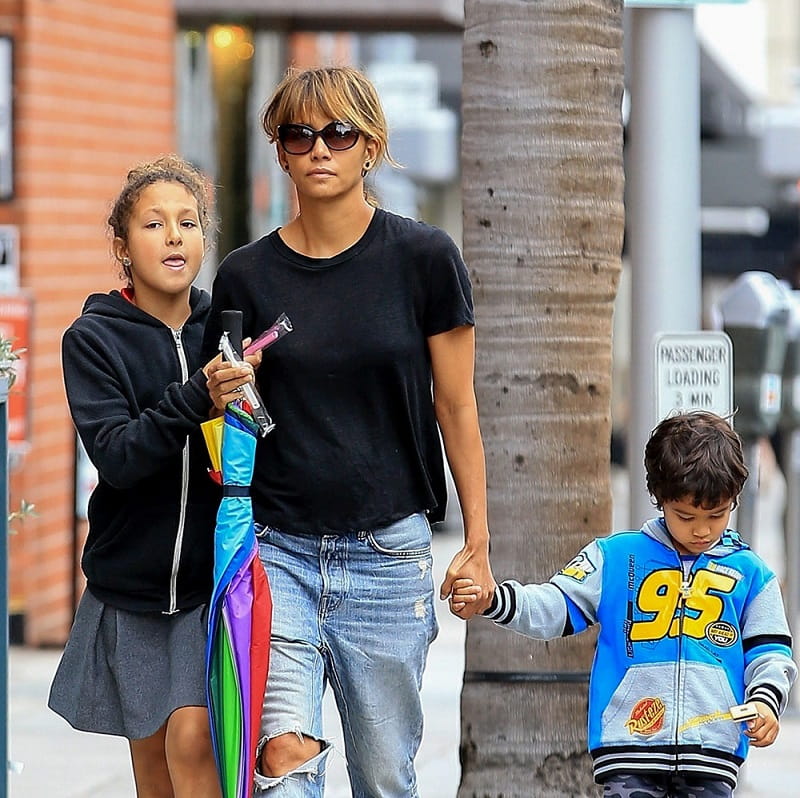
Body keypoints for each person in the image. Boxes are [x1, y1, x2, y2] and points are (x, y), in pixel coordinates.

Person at [201, 65, 494, 797]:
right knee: (281, 764)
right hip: (279, 550)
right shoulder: (244, 275)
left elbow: (456, 408)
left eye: (339, 132)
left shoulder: (424, 259)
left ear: (371, 145)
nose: (319, 148)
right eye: (300, 135)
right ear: (282, 153)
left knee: (383, 778)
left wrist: (479, 542)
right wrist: (221, 396)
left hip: (387, 558)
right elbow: (227, 417)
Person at [48, 155, 258, 798]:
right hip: (133, 588)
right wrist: (198, 399)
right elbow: (117, 456)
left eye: (189, 222)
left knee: (193, 738)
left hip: (212, 583)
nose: (175, 236)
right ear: (122, 245)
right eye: (154, 224)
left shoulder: (226, 329)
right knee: (153, 770)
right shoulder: (93, 339)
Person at [451, 410, 797, 798]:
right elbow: (556, 606)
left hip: (713, 755)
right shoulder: (615, 558)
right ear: (659, 498)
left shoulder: (752, 574)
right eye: (685, 516)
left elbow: (772, 654)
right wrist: (495, 598)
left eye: (716, 515)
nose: (702, 530)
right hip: (627, 750)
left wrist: (766, 702)